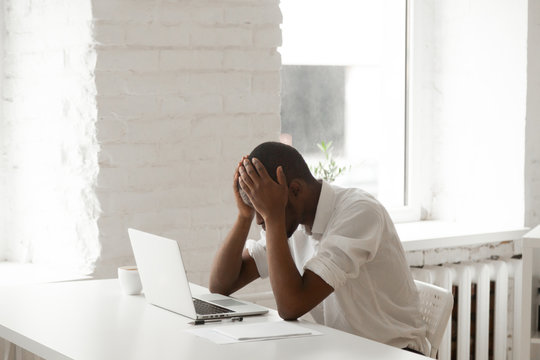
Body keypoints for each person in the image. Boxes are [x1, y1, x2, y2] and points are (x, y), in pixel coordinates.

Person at [209, 141, 428, 355]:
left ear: (294, 190)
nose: (260, 220)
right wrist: (244, 215)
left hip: (394, 352)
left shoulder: (360, 212)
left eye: (264, 209)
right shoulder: (290, 222)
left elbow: (291, 306)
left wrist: (273, 217)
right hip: (342, 349)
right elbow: (221, 285)